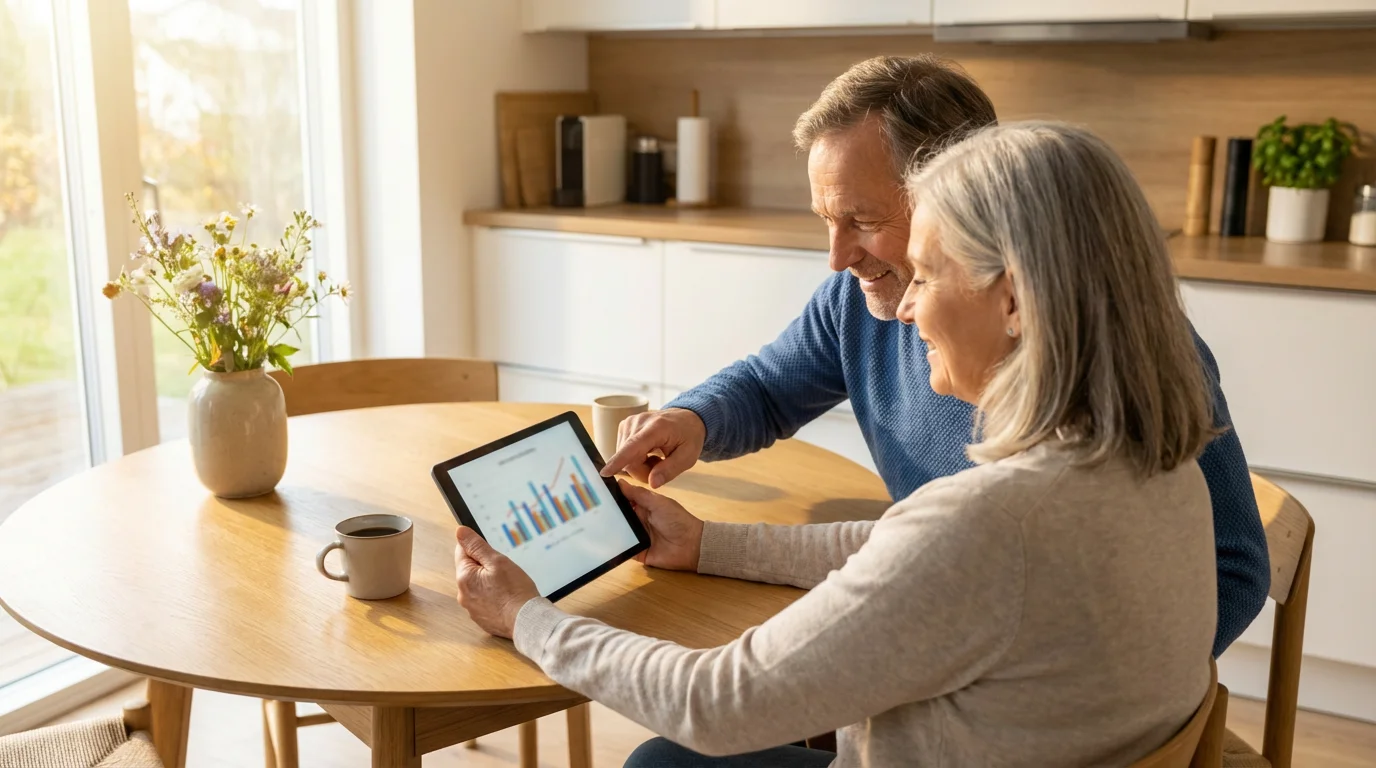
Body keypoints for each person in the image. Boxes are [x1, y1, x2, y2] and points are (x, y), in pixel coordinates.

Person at [455, 121, 1219, 767]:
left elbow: (715, 702)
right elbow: (908, 553)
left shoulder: (993, 520)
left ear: (1013, 298)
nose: (907, 307)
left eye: (924, 276)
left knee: (664, 756)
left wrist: (530, 619)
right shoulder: (1157, 462)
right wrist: (713, 545)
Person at [599, 55, 1267, 657]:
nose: (836, 258)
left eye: (861, 221)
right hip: (940, 647)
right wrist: (692, 419)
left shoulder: (1124, 349)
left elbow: (1231, 569)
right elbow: (772, 385)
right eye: (825, 221)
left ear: (961, 196)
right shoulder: (858, 300)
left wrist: (1075, 700)